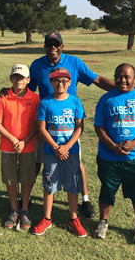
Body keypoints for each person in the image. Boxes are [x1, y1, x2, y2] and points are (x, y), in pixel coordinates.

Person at [27, 32, 117, 218]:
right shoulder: (37, 65)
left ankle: (84, 199)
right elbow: (28, 90)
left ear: (62, 46)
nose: (53, 47)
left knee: (76, 163)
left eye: (56, 44)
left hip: (68, 125)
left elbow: (97, 80)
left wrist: (122, 88)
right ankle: (27, 198)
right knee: (38, 161)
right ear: (44, 47)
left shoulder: (74, 62)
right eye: (49, 44)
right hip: (45, 122)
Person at [93, 63, 135, 244]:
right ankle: (103, 222)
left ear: (134, 79)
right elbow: (99, 126)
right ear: (114, 76)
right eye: (119, 76)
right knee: (107, 190)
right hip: (109, 156)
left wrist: (134, 144)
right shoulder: (106, 99)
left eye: (127, 77)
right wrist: (113, 145)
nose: (123, 80)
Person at [33, 67, 87, 237]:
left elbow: (79, 127)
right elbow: (41, 128)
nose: (60, 84)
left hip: (71, 151)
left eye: (64, 81)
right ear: (51, 82)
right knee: (50, 184)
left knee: (72, 184)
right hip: (51, 151)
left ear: (70, 83)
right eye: (56, 80)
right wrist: (56, 148)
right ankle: (47, 218)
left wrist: (66, 147)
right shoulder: (46, 102)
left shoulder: (75, 101)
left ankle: (73, 219)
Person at [0, 64, 40, 230]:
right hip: (8, 145)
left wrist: (24, 141)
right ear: (10, 79)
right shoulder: (3, 98)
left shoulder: (35, 98)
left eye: (22, 77)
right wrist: (14, 140)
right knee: (10, 179)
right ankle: (14, 210)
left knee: (27, 179)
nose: (19, 80)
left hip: (28, 145)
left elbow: (36, 124)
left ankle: (24, 209)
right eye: (15, 77)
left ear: (28, 80)